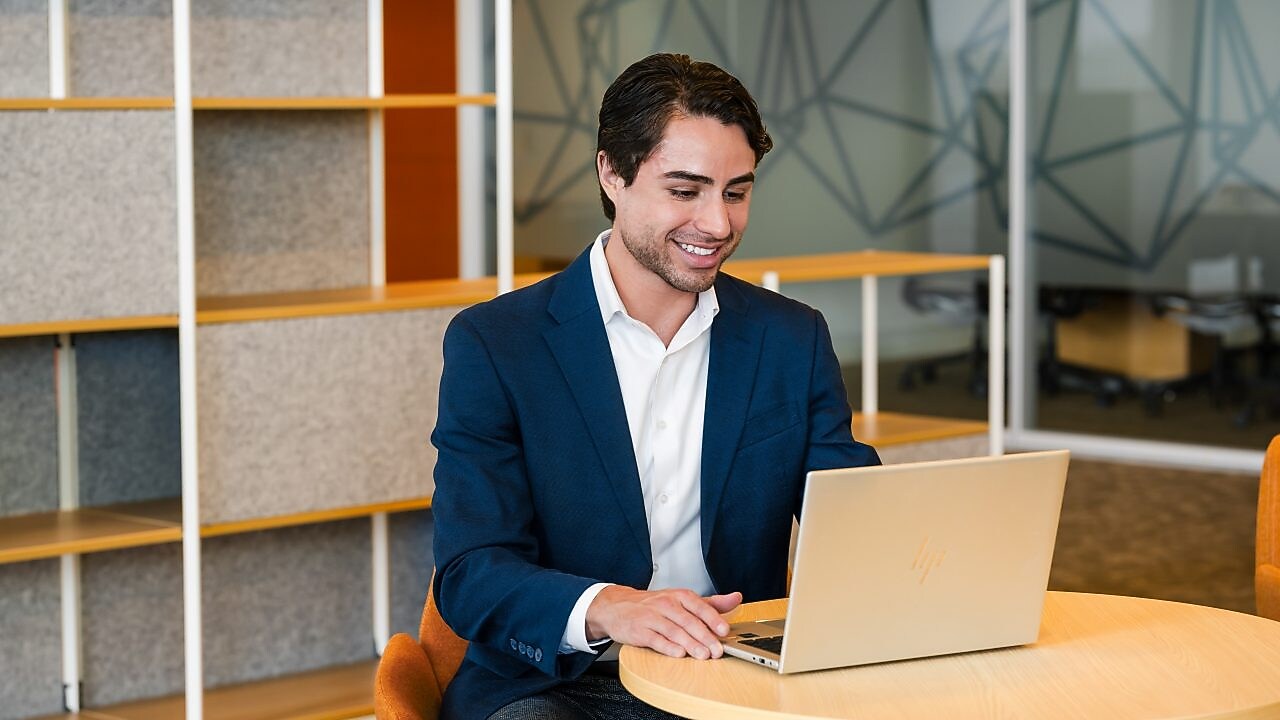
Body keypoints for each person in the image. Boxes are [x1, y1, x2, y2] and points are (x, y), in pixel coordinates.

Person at [430, 52, 880, 719]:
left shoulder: (793, 338)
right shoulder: (498, 344)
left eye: (736, 191)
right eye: (684, 190)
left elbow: (852, 523)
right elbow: (471, 572)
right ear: (612, 172)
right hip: (561, 687)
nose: (718, 224)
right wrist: (612, 608)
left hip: (736, 678)